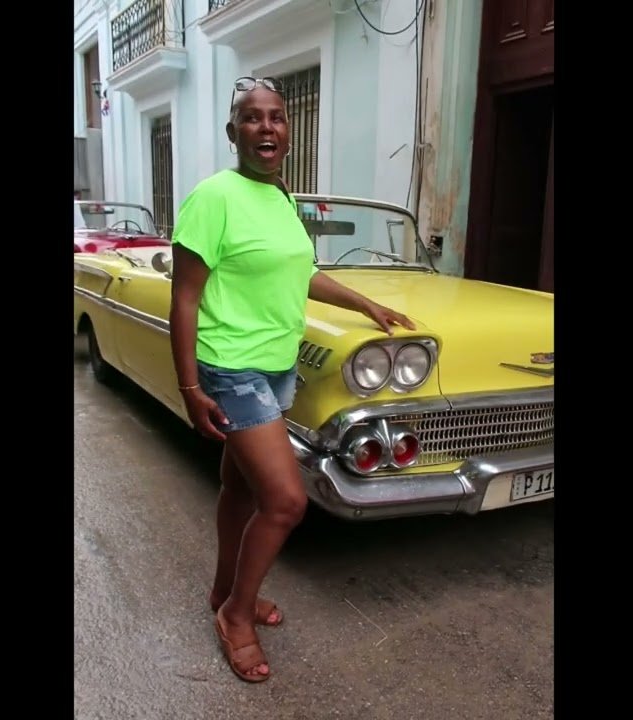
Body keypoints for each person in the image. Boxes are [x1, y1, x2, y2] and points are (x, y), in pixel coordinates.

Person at [169, 76, 415, 683]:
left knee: (242, 490)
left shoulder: (282, 198)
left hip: (277, 365)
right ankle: (235, 614)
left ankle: (226, 590)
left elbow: (299, 274)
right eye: (252, 118)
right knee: (285, 500)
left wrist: (363, 304)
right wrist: (190, 387)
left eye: (276, 117)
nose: (267, 127)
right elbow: (185, 299)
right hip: (231, 367)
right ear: (234, 133)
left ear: (287, 130)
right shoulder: (212, 198)